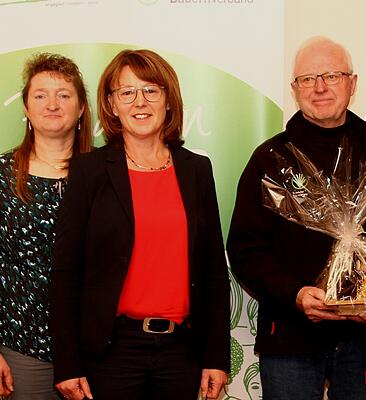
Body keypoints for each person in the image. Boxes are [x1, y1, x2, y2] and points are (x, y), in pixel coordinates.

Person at [227, 36, 366, 400]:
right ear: (294, 89)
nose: (320, 87)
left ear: (352, 84)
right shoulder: (270, 159)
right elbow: (245, 249)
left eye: (332, 76)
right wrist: (296, 294)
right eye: (308, 78)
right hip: (290, 338)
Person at [50, 49, 230, 400]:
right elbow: (65, 272)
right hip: (112, 352)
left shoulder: (196, 170)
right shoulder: (90, 171)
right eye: (127, 92)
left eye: (151, 90)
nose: (140, 102)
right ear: (112, 105)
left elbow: (213, 272)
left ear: (168, 100)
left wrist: (216, 357)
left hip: (182, 351)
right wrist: (68, 363)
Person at [0, 53, 92, 400]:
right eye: (40, 95)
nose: (52, 104)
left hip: (95, 349)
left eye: (64, 95)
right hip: (21, 346)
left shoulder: (105, 175)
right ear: (25, 107)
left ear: (81, 108)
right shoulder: (2, 175)